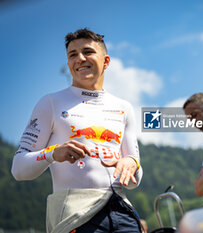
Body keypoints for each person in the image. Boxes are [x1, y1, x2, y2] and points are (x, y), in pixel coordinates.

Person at [11, 28, 143, 233]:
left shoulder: (124, 107)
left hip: (121, 210)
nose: (80, 58)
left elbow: (134, 181)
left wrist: (131, 163)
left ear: (106, 61)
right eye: (73, 54)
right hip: (75, 215)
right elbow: (18, 169)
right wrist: (52, 153)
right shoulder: (50, 103)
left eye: (88, 52)